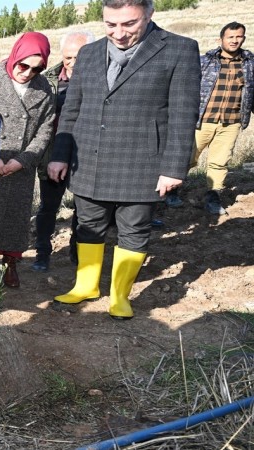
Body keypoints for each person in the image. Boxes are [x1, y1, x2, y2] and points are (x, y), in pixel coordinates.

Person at [48, 0, 201, 320]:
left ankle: (120, 295)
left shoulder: (179, 49)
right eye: (110, 24)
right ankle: (85, 286)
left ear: (149, 15)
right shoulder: (89, 53)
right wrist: (60, 155)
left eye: (129, 24)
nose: (118, 33)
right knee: (87, 226)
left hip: (142, 162)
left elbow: (183, 115)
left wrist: (174, 168)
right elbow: (71, 109)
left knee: (134, 230)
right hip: (89, 158)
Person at [0, 32, 55, 290]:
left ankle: (10, 264)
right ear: (15, 56)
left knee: (15, 220)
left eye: (36, 69)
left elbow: (45, 131)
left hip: (20, 167)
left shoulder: (45, 89)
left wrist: (23, 160)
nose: (27, 72)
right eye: (23, 65)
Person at [165, 21, 253, 215]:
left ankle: (212, 198)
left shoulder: (250, 64)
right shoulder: (205, 61)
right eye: (230, 37)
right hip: (202, 120)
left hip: (231, 123)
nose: (235, 40)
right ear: (220, 39)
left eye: (239, 37)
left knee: (219, 163)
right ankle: (171, 192)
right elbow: (185, 87)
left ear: (244, 38)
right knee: (187, 158)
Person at [33, 31, 95, 272]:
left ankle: (77, 250)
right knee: (49, 207)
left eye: (79, 57)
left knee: (83, 208)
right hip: (52, 155)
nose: (72, 63)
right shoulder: (47, 80)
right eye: (68, 57)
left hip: (86, 155)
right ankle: (42, 253)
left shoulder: (101, 79)